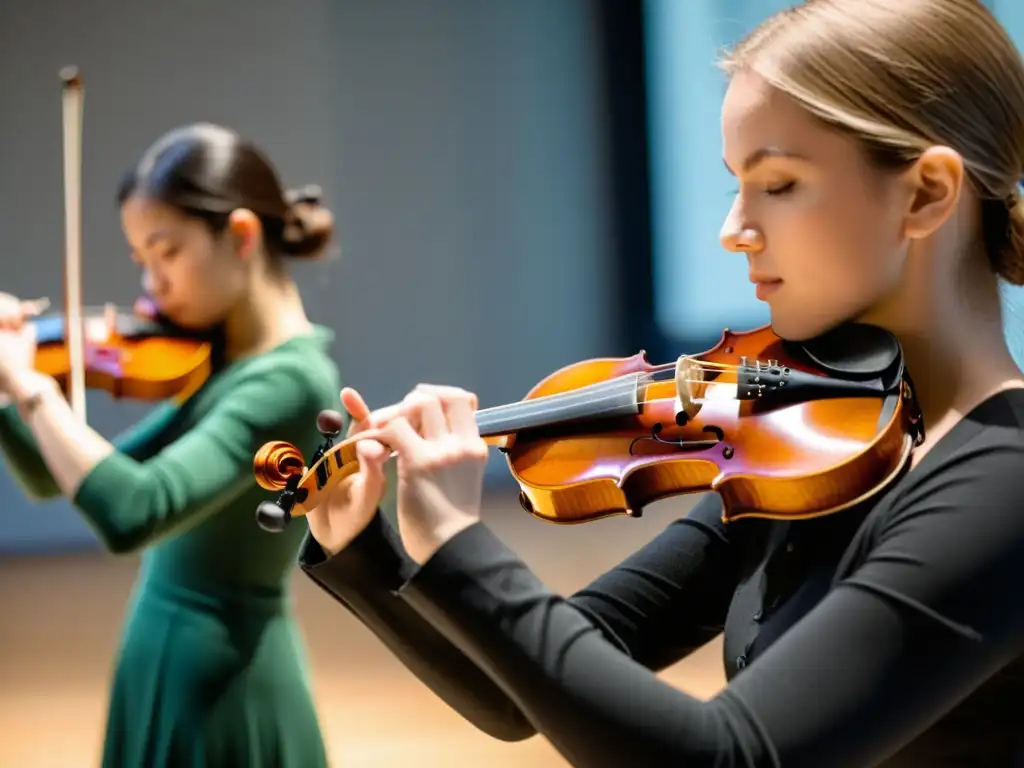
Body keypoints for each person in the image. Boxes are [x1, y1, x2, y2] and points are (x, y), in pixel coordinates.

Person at [294, 1, 1024, 766]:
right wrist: (370, 550)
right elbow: (525, 694)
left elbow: (724, 757)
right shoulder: (822, 440)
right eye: (736, 184)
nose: (733, 227)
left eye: (778, 183)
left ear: (925, 194)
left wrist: (458, 542)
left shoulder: (1002, 487)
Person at [0, 123, 340, 767]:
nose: (150, 288)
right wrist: (9, 396)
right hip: (167, 651)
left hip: (219, 680)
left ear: (240, 236)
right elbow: (63, 478)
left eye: (167, 252)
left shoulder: (290, 380)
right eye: (142, 261)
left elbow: (134, 511)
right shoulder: (226, 359)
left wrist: (29, 383)